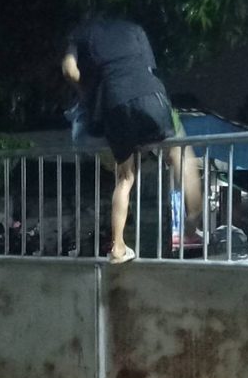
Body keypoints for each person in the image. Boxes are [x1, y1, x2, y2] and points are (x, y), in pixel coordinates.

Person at [62, 15, 202, 264]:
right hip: (149, 94)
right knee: (181, 154)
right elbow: (147, 68)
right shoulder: (135, 29)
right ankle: (192, 223)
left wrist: (87, 94)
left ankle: (118, 247)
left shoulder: (82, 33)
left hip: (113, 101)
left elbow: (70, 71)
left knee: (125, 178)